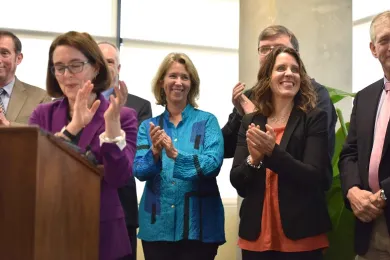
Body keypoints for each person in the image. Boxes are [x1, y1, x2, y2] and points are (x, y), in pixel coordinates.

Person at [28, 31, 138, 260]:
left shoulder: (123, 115)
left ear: (96, 68)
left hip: (102, 233)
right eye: (59, 67)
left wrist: (111, 124)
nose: (67, 75)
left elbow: (119, 178)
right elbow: (33, 173)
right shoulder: (42, 114)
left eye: (76, 65)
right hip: (50, 231)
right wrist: (73, 128)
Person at [230, 46, 332, 260]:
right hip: (256, 237)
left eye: (295, 69)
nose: (289, 73)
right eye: (281, 68)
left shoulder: (314, 118)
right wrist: (254, 160)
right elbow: (238, 181)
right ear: (268, 77)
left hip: (301, 236)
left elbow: (315, 176)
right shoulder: (250, 120)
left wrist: (272, 152)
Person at [133, 52, 225, 260]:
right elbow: (138, 170)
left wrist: (175, 154)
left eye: (185, 77)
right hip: (156, 225)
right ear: (162, 82)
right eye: (172, 76)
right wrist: (155, 153)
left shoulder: (207, 121)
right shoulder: (148, 127)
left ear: (191, 84)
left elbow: (212, 164)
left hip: (200, 226)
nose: (178, 82)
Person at [223, 25, 336, 190]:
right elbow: (226, 149)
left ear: (295, 56)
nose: (271, 54)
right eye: (265, 49)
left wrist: (270, 149)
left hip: (297, 197)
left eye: (278, 48)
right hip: (258, 198)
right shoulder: (250, 95)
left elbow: (317, 159)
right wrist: (242, 116)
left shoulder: (316, 94)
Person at [338, 10, 390, 259]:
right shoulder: (365, 97)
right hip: (369, 225)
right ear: (373, 48)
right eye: (385, 39)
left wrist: (384, 193)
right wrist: (352, 191)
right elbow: (349, 153)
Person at [98, 42, 152, 260]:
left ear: (118, 68)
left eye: (110, 61)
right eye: (99, 61)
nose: (104, 65)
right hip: (81, 206)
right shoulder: (75, 103)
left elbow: (134, 155)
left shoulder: (139, 106)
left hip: (122, 206)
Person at [0, 30, 51, 126]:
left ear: (18, 58)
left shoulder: (40, 98)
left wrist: (8, 125)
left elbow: (46, 134)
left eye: (4, 53)